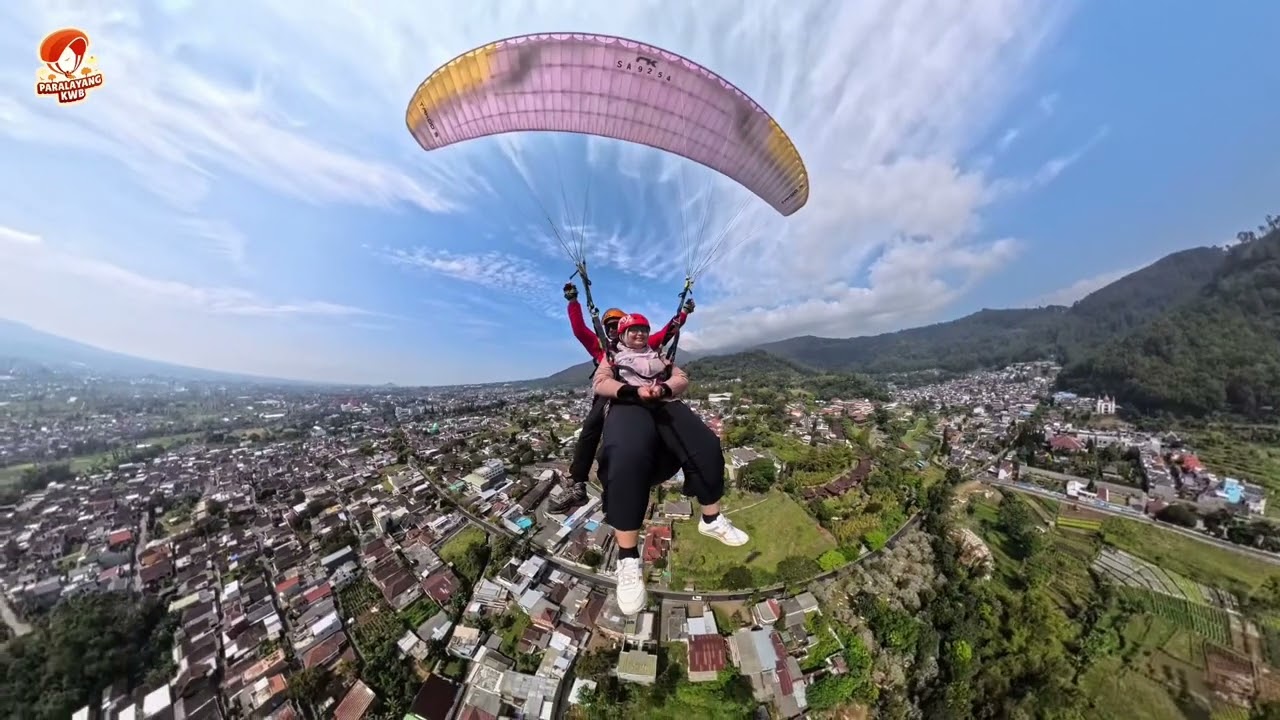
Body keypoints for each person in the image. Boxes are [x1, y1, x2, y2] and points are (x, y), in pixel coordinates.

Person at [592, 313, 748, 615]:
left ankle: (711, 519)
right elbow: (601, 383)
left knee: (705, 444)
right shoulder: (612, 357)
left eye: (643, 330)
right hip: (628, 404)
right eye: (632, 330)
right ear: (622, 336)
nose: (638, 334)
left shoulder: (659, 357)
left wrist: (663, 389)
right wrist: (632, 391)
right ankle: (626, 557)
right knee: (625, 454)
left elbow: (681, 378)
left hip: (663, 403)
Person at [549, 283, 694, 514]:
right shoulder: (603, 348)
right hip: (613, 396)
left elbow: (668, 332)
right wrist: (572, 302)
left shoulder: (641, 344)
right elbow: (579, 330)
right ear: (606, 331)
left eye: (618, 325)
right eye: (610, 327)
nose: (615, 330)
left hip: (645, 395)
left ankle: (691, 468)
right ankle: (578, 483)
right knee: (590, 432)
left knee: (676, 423)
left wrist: (683, 314)